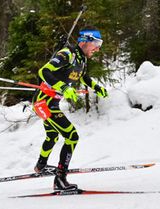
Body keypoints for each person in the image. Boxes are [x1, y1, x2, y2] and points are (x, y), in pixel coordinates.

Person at [32, 27, 108, 191]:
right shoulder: (67, 54)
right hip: (44, 103)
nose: (98, 47)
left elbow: (83, 77)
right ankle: (60, 179)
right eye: (96, 43)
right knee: (71, 136)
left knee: (52, 136)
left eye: (99, 43)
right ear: (84, 41)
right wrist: (64, 87)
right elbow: (43, 71)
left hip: (51, 103)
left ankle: (40, 166)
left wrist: (97, 87)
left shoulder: (81, 60)